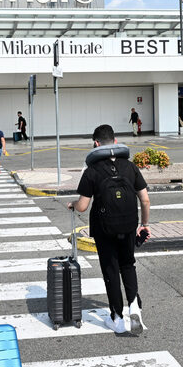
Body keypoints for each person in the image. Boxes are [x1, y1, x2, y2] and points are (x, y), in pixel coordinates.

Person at [68, 124, 151, 335]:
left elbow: (83, 205)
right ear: (115, 142)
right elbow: (145, 200)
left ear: (96, 144)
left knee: (111, 271)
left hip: (104, 229)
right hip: (129, 224)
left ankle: (117, 318)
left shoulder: (92, 171)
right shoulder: (130, 166)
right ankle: (134, 306)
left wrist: (73, 205)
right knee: (128, 264)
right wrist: (144, 225)